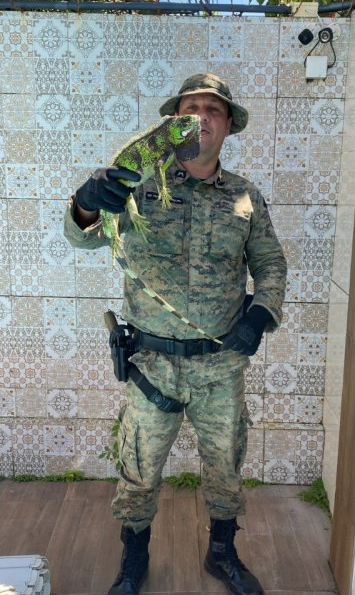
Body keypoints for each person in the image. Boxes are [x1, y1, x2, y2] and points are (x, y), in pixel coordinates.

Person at [63, 73, 287, 595]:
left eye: (213, 109)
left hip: (220, 366)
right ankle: (133, 561)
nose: (201, 117)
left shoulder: (245, 197)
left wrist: (261, 316)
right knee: (138, 471)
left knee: (226, 469)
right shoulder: (135, 188)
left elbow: (271, 265)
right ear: (172, 122)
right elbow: (80, 236)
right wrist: (87, 199)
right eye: (191, 107)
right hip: (152, 367)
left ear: (228, 126)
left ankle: (223, 554)